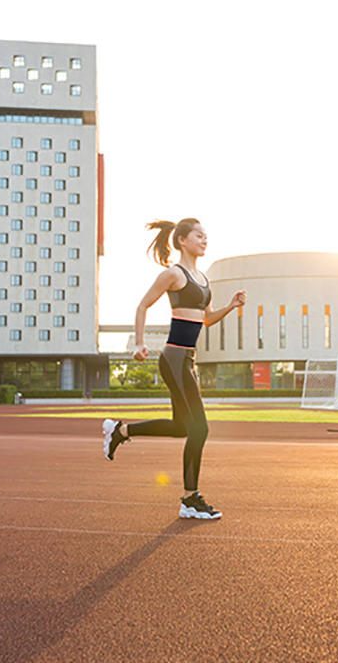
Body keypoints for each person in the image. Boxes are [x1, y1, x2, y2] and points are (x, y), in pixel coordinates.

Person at [102, 218, 246, 520]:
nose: (204, 240)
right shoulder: (173, 274)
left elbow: (205, 320)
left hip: (188, 360)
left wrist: (230, 307)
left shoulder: (203, 279)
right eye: (199, 235)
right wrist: (138, 343)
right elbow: (142, 305)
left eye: (206, 236)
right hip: (174, 358)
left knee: (182, 427)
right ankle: (190, 498)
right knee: (200, 428)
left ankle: (121, 431)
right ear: (182, 240)